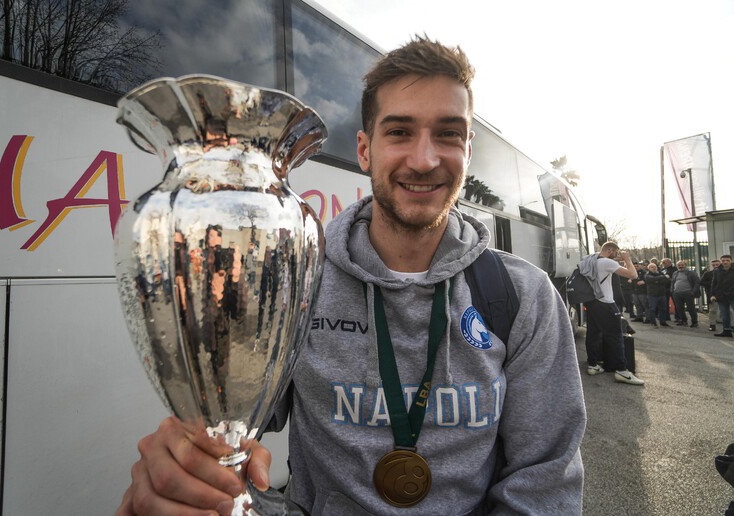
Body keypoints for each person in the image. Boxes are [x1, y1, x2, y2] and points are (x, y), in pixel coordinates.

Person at [116, 37, 587, 515]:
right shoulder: (296, 281)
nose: (424, 159)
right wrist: (193, 468)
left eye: (447, 134)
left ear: (467, 149)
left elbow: (543, 483)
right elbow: (227, 425)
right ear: (364, 150)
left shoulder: (523, 297)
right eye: (399, 132)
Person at [578, 242, 644, 385]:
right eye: (616, 252)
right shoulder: (607, 262)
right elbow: (633, 274)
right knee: (616, 335)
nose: (617, 255)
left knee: (593, 333)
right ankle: (622, 371)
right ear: (609, 250)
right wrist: (627, 259)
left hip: (591, 301)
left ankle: (593, 365)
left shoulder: (590, 259)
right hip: (606, 303)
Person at [670, 260, 700, 327]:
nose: (680, 266)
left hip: (688, 293)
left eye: (682, 265)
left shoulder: (691, 273)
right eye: (679, 265)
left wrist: (693, 291)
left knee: (691, 308)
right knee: (679, 308)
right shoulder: (675, 273)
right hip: (677, 293)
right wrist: (672, 290)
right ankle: (683, 321)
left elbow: (697, 282)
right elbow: (672, 282)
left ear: (685, 265)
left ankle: (694, 322)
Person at [710, 254, 734, 338]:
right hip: (721, 296)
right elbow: (714, 283)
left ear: (731, 261)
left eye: (727, 260)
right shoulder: (717, 271)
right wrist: (713, 294)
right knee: (724, 314)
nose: (725, 262)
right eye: (723, 261)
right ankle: (727, 330)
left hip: (732, 295)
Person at [644, 263, 670, 327]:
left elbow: (668, 281)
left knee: (663, 309)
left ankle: (663, 322)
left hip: (662, 294)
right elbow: (651, 279)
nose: (654, 268)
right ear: (649, 268)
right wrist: (662, 278)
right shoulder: (647, 275)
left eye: (655, 267)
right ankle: (653, 322)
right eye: (652, 267)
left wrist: (657, 280)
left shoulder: (660, 273)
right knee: (652, 309)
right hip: (652, 295)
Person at [700, 259, 721, 331]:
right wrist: (711, 284)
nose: (715, 266)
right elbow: (701, 282)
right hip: (712, 294)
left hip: (724, 294)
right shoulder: (708, 274)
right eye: (713, 265)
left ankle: (731, 325)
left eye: (717, 265)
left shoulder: (726, 273)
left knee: (730, 311)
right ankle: (712, 325)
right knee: (713, 310)